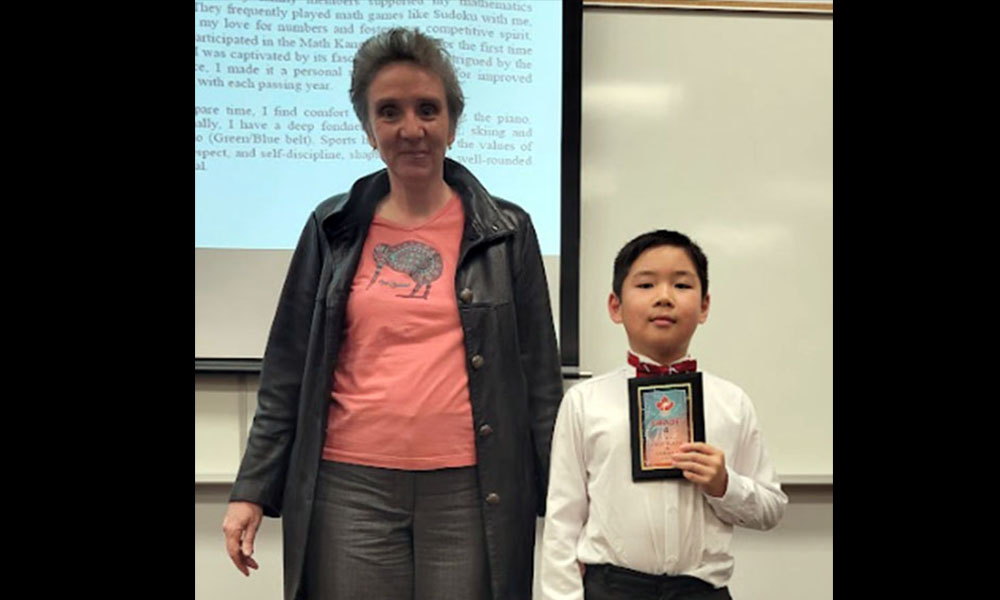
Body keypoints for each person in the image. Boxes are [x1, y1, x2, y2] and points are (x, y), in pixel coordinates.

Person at [221, 28, 563, 600]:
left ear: (452, 123)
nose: (411, 128)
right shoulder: (331, 228)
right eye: (390, 112)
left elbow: (541, 385)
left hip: (472, 489)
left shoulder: (508, 232)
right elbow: (285, 373)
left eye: (427, 109)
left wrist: (568, 507)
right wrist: (251, 489)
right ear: (368, 129)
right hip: (348, 489)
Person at [540, 230, 787, 600]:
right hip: (611, 589)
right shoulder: (584, 402)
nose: (664, 297)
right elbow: (563, 521)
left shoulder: (731, 402)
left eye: (682, 285)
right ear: (615, 306)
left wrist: (724, 484)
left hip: (702, 591)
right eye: (646, 284)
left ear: (704, 306)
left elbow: (771, 508)